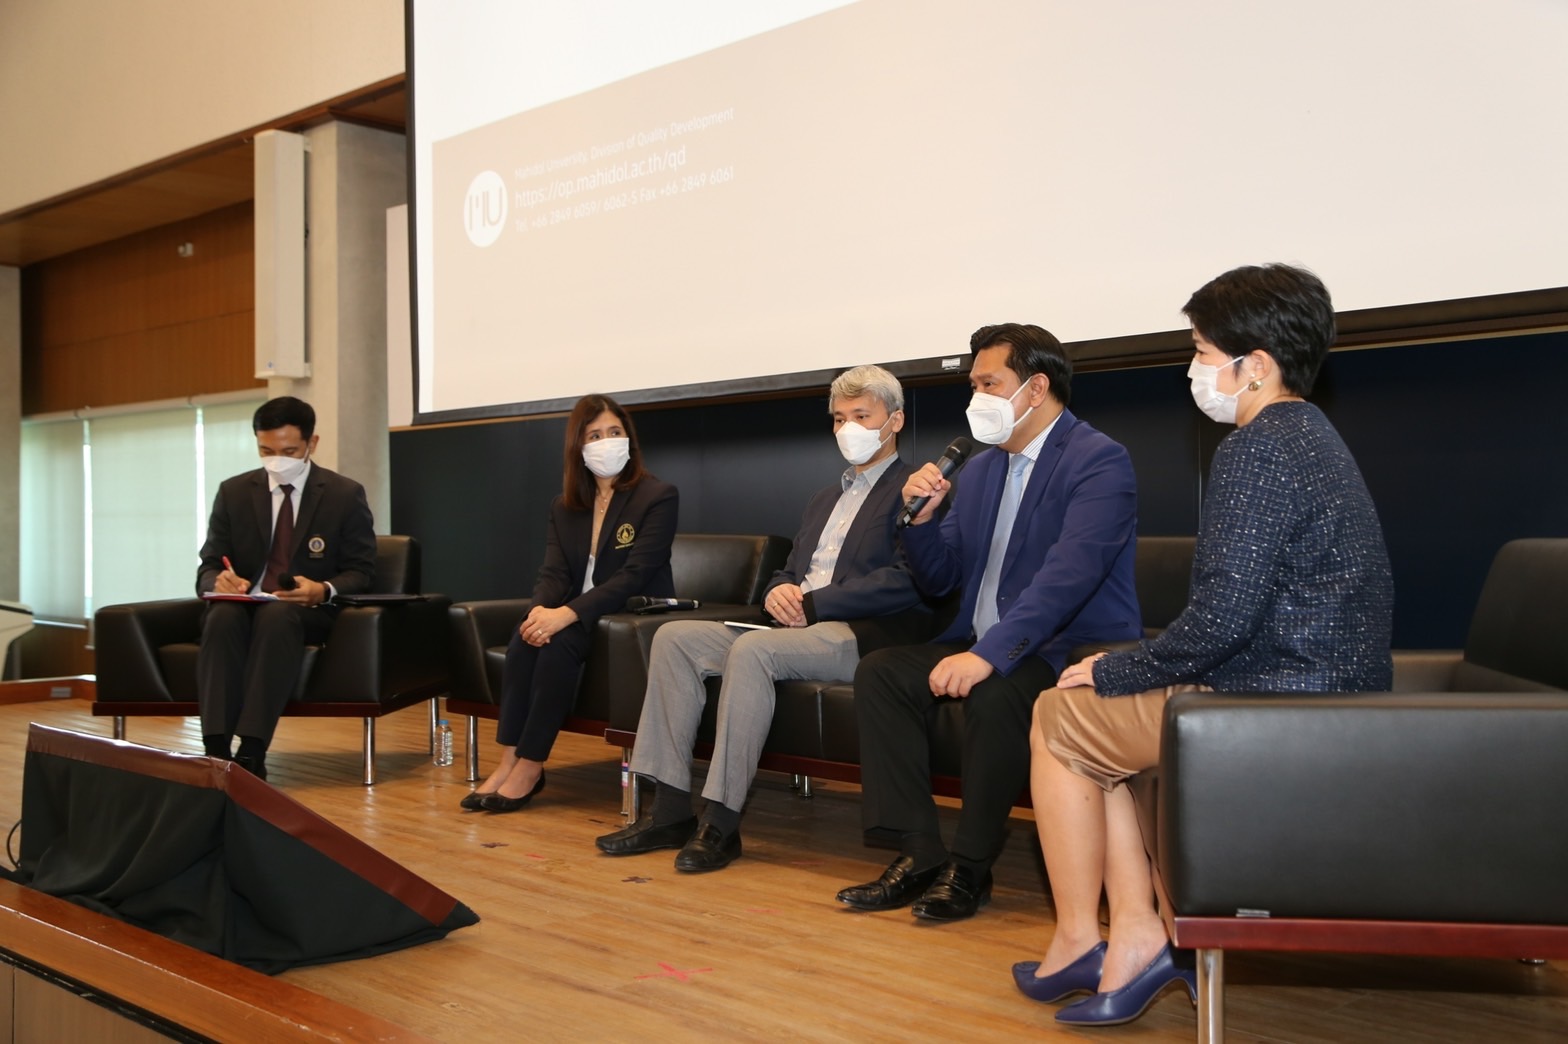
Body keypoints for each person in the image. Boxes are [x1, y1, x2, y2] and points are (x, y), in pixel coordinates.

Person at [1017, 264, 1394, 1027]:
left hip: (1278, 704)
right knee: (1097, 718)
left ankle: (1086, 937)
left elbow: (1223, 620)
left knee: (1059, 717)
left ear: (1255, 366)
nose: (1192, 368)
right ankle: (1135, 936)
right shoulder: (1314, 435)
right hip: (1324, 694)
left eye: (1200, 350)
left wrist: (1120, 668)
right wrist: (1127, 674)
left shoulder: (1258, 448)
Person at [837, 324, 1142, 922]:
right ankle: (919, 851)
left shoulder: (1098, 460)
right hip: (981, 639)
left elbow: (1068, 578)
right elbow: (941, 579)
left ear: (1036, 389)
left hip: (1063, 648)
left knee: (996, 691)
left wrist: (987, 655)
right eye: (973, 385)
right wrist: (921, 522)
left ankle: (970, 867)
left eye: (988, 384)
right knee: (881, 673)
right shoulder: (979, 471)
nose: (975, 397)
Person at [595, 364, 930, 871]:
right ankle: (669, 811)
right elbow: (791, 570)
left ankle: (721, 823)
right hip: (793, 629)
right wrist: (778, 592)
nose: (848, 429)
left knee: (753, 650)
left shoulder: (914, 489)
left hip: (858, 635)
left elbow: (907, 579)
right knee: (674, 638)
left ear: (896, 421)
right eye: (839, 419)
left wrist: (814, 604)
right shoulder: (825, 499)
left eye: (862, 416)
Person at [465, 394, 678, 813]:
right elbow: (554, 573)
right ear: (578, 447)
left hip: (629, 613)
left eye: (614, 432)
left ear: (629, 439)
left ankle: (531, 765)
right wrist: (538, 612)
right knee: (525, 638)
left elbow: (634, 575)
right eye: (594, 435)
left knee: (558, 642)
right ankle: (508, 759)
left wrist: (567, 613)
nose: (606, 442)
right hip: (576, 610)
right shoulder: (565, 506)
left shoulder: (657, 495)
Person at [197, 396, 378, 781]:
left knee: (277, 616)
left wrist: (323, 589)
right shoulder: (234, 492)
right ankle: (214, 749)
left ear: (312, 443)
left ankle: (252, 750)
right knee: (222, 615)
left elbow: (362, 571)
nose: (277, 460)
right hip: (245, 603)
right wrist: (218, 580)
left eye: (289, 451)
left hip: (306, 612)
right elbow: (209, 564)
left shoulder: (343, 494)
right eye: (266, 451)